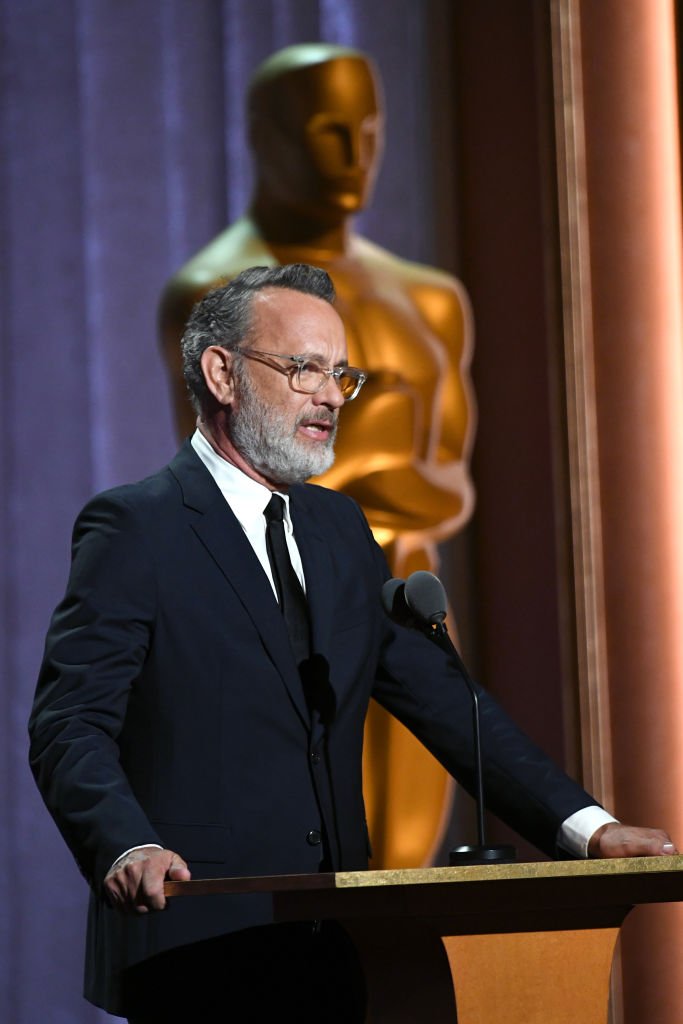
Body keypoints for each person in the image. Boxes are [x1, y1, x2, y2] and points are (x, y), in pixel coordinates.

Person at [30, 264, 675, 1023]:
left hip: (337, 945)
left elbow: (445, 704)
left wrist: (586, 829)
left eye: (340, 374)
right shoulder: (137, 527)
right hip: (195, 941)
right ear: (222, 373)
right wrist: (125, 847)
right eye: (304, 368)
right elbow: (69, 724)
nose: (332, 396)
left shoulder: (339, 531)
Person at [159, 42, 476, 867]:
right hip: (284, 603)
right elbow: (227, 471)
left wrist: (579, 823)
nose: (352, 158)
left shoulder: (428, 298)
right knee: (305, 855)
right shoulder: (215, 289)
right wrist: (380, 474)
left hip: (404, 586)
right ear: (265, 137)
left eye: (366, 132)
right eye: (326, 132)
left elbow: (446, 478)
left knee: (409, 861)